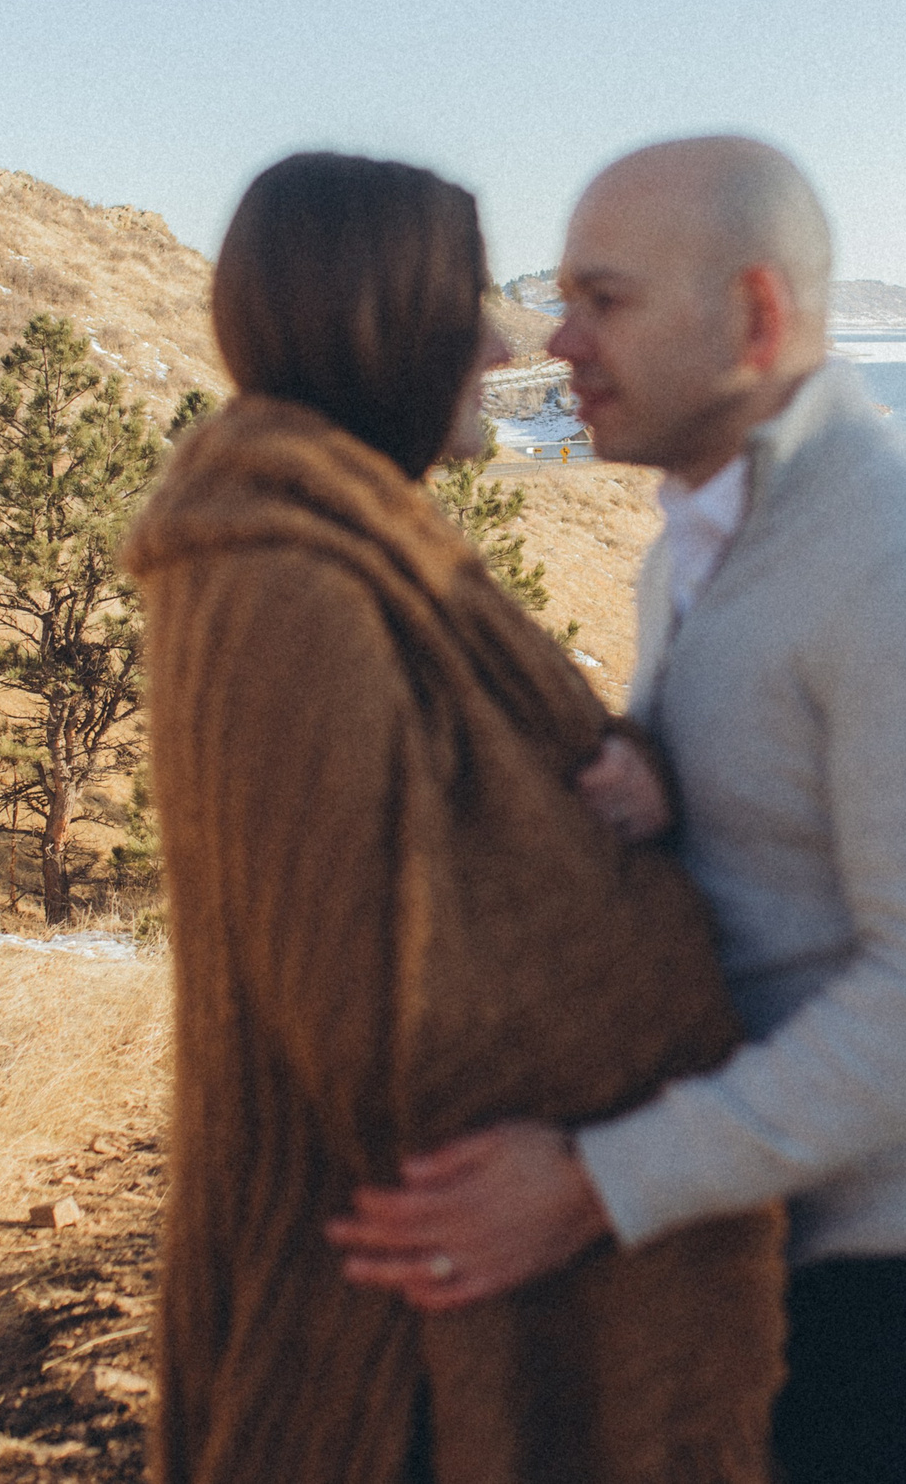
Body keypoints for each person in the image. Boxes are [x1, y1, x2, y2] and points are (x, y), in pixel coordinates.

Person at [327, 137, 906, 1484]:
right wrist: (660, 786)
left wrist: (592, 1185)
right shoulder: (706, 539)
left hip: (894, 1291)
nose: (554, 341)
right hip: (763, 1241)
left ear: (756, 318)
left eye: (603, 302)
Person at [124, 151, 783, 1484]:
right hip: (383, 1343)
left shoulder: (344, 551)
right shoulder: (281, 593)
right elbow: (377, 1004)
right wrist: (673, 978)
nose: (501, 342)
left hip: (424, 1293)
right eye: (460, 304)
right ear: (379, 325)